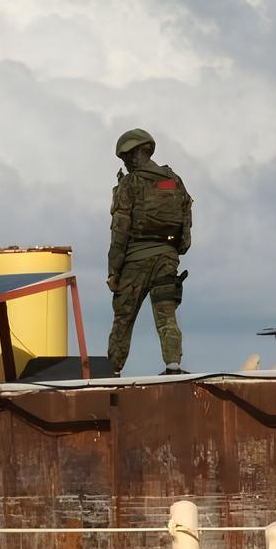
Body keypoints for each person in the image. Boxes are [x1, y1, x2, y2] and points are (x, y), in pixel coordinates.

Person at [106, 128, 193, 376]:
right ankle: (173, 366)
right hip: (167, 259)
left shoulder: (129, 184)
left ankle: (113, 372)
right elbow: (186, 222)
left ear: (131, 155)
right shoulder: (172, 180)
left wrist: (113, 272)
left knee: (123, 318)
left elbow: (119, 232)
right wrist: (175, 250)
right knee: (166, 315)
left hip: (135, 260)